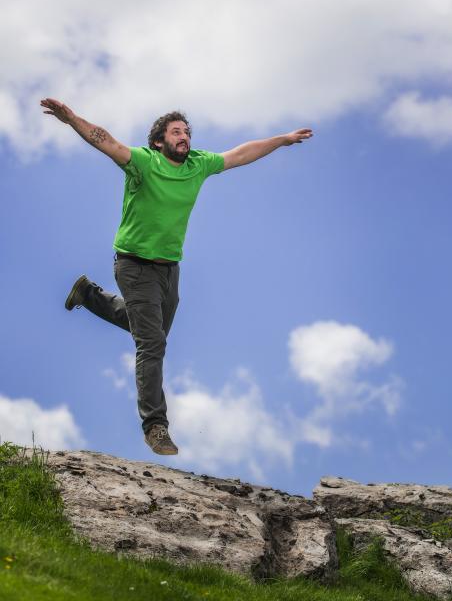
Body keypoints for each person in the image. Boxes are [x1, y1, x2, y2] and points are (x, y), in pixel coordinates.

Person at [41, 97, 312, 455]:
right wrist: (71, 118)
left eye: (186, 132)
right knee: (152, 343)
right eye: (176, 132)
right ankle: (155, 425)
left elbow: (241, 154)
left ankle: (88, 295)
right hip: (134, 265)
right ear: (159, 141)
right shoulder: (143, 162)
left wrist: (282, 139)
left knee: (149, 329)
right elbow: (104, 140)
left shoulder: (198, 165)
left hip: (170, 270)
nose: (184, 137)